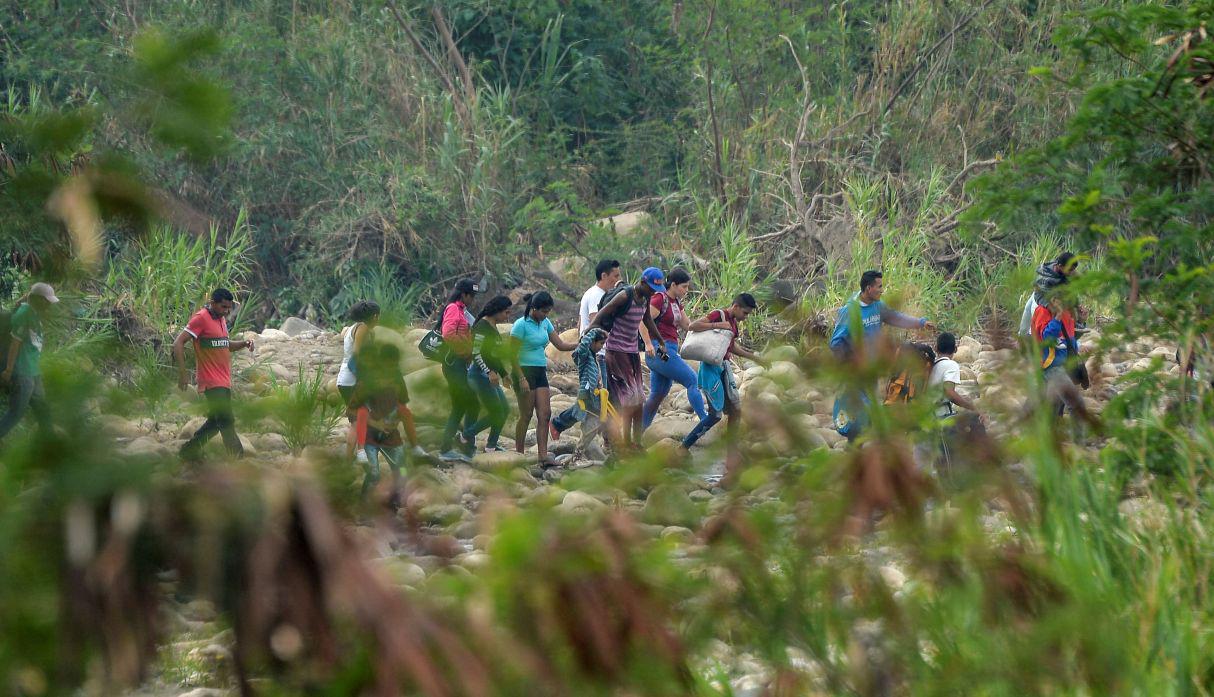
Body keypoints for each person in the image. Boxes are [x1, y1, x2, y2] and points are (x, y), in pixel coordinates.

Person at [681, 294, 764, 482]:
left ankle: (731, 456)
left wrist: (754, 357)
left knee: (735, 412)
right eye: (745, 313)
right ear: (735, 306)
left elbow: (731, 347)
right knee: (715, 415)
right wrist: (717, 325)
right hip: (710, 370)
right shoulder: (718, 315)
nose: (745, 317)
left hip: (723, 369)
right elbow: (692, 326)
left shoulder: (733, 323)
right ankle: (684, 447)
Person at [587, 267, 669, 448]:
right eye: (651, 289)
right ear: (642, 283)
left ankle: (636, 443)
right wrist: (589, 331)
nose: (653, 293)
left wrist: (660, 340)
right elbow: (603, 313)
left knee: (639, 398)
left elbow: (647, 319)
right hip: (616, 352)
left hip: (632, 352)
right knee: (629, 398)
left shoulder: (645, 298)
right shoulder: (625, 296)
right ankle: (624, 442)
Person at [176, 288, 255, 461]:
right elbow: (178, 342)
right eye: (223, 307)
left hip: (224, 380)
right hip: (211, 381)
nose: (226, 311)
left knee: (215, 422)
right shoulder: (201, 318)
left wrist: (244, 343)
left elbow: (225, 344)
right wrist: (183, 374)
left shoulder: (221, 319)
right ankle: (238, 460)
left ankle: (188, 451)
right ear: (212, 303)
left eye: (228, 308)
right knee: (226, 420)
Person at [511, 291, 577, 467]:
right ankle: (518, 453)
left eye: (548, 311)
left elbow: (560, 344)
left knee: (545, 414)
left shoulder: (545, 323)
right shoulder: (521, 325)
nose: (546, 315)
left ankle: (542, 455)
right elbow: (511, 354)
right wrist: (521, 378)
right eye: (544, 311)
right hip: (524, 371)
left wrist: (580, 344)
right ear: (534, 308)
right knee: (526, 415)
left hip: (540, 371)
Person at [640, 268, 709, 431]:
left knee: (658, 394)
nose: (686, 290)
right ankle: (705, 420)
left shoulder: (676, 302)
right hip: (660, 351)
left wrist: (711, 323)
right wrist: (648, 343)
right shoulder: (659, 299)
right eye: (684, 286)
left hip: (669, 349)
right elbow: (642, 321)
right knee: (692, 380)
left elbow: (688, 325)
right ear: (673, 285)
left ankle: (639, 432)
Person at [350, 343, 411, 502]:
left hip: (391, 434)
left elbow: (403, 404)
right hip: (369, 436)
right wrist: (375, 423)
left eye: (394, 367)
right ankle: (364, 503)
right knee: (374, 474)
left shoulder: (397, 379)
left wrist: (397, 420)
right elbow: (351, 411)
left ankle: (395, 500)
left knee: (402, 470)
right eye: (387, 367)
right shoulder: (366, 382)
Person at [829, 270, 935, 360]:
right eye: (879, 287)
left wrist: (921, 323)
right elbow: (836, 343)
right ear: (868, 288)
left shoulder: (878, 305)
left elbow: (896, 318)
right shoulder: (849, 311)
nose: (882, 290)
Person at [0, 282, 58, 443]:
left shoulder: (33, 313)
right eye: (47, 301)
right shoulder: (24, 314)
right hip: (22, 372)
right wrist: (8, 370)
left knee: (42, 409)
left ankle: (51, 444)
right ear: (38, 299)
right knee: (16, 413)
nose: (49, 305)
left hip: (33, 371)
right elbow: (15, 343)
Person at [924, 332, 986, 481]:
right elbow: (950, 392)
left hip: (928, 417)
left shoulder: (933, 366)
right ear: (956, 349)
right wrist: (974, 408)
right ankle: (984, 465)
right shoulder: (951, 365)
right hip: (940, 417)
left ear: (936, 348)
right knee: (976, 419)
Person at [1033, 295, 1100, 431]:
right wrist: (1058, 316)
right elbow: (1047, 338)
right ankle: (1078, 441)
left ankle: (1050, 435)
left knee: (1053, 404)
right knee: (1076, 403)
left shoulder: (1067, 311)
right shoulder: (1042, 310)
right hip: (1050, 366)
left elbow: (1069, 337)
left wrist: (1080, 321)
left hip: (1064, 363)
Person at [463, 295, 518, 454]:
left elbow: (494, 355)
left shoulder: (493, 326)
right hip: (479, 375)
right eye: (506, 312)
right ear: (497, 311)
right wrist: (489, 372)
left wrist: (504, 374)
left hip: (490, 375)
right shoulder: (482, 326)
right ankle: (465, 436)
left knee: (504, 409)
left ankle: (491, 445)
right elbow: (476, 353)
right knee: (496, 412)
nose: (508, 316)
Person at [439, 279, 481, 462]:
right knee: (471, 404)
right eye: (471, 296)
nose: (473, 299)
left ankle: (451, 447)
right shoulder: (453, 309)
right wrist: (466, 350)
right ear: (463, 295)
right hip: (454, 363)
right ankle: (463, 445)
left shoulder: (461, 310)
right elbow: (448, 333)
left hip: (459, 363)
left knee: (460, 406)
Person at [551, 328, 609, 446]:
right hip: (585, 393)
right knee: (577, 413)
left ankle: (584, 443)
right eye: (601, 343)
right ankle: (556, 425)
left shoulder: (593, 357)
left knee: (584, 415)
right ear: (592, 342)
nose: (602, 347)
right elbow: (582, 346)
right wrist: (594, 332)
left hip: (593, 394)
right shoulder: (583, 355)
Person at [1019, 252, 1079, 336]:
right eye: (1070, 270)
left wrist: (1076, 305)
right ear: (1060, 266)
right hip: (1041, 296)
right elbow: (1040, 295)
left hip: (1055, 296)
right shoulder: (1045, 278)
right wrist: (1051, 307)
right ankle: (1025, 336)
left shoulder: (1065, 269)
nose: (1072, 272)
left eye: (1073, 269)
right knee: (1031, 321)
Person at [579, 259, 621, 334]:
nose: (618, 280)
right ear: (604, 276)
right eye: (616, 276)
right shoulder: (596, 295)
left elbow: (579, 323)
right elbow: (595, 323)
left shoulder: (594, 292)